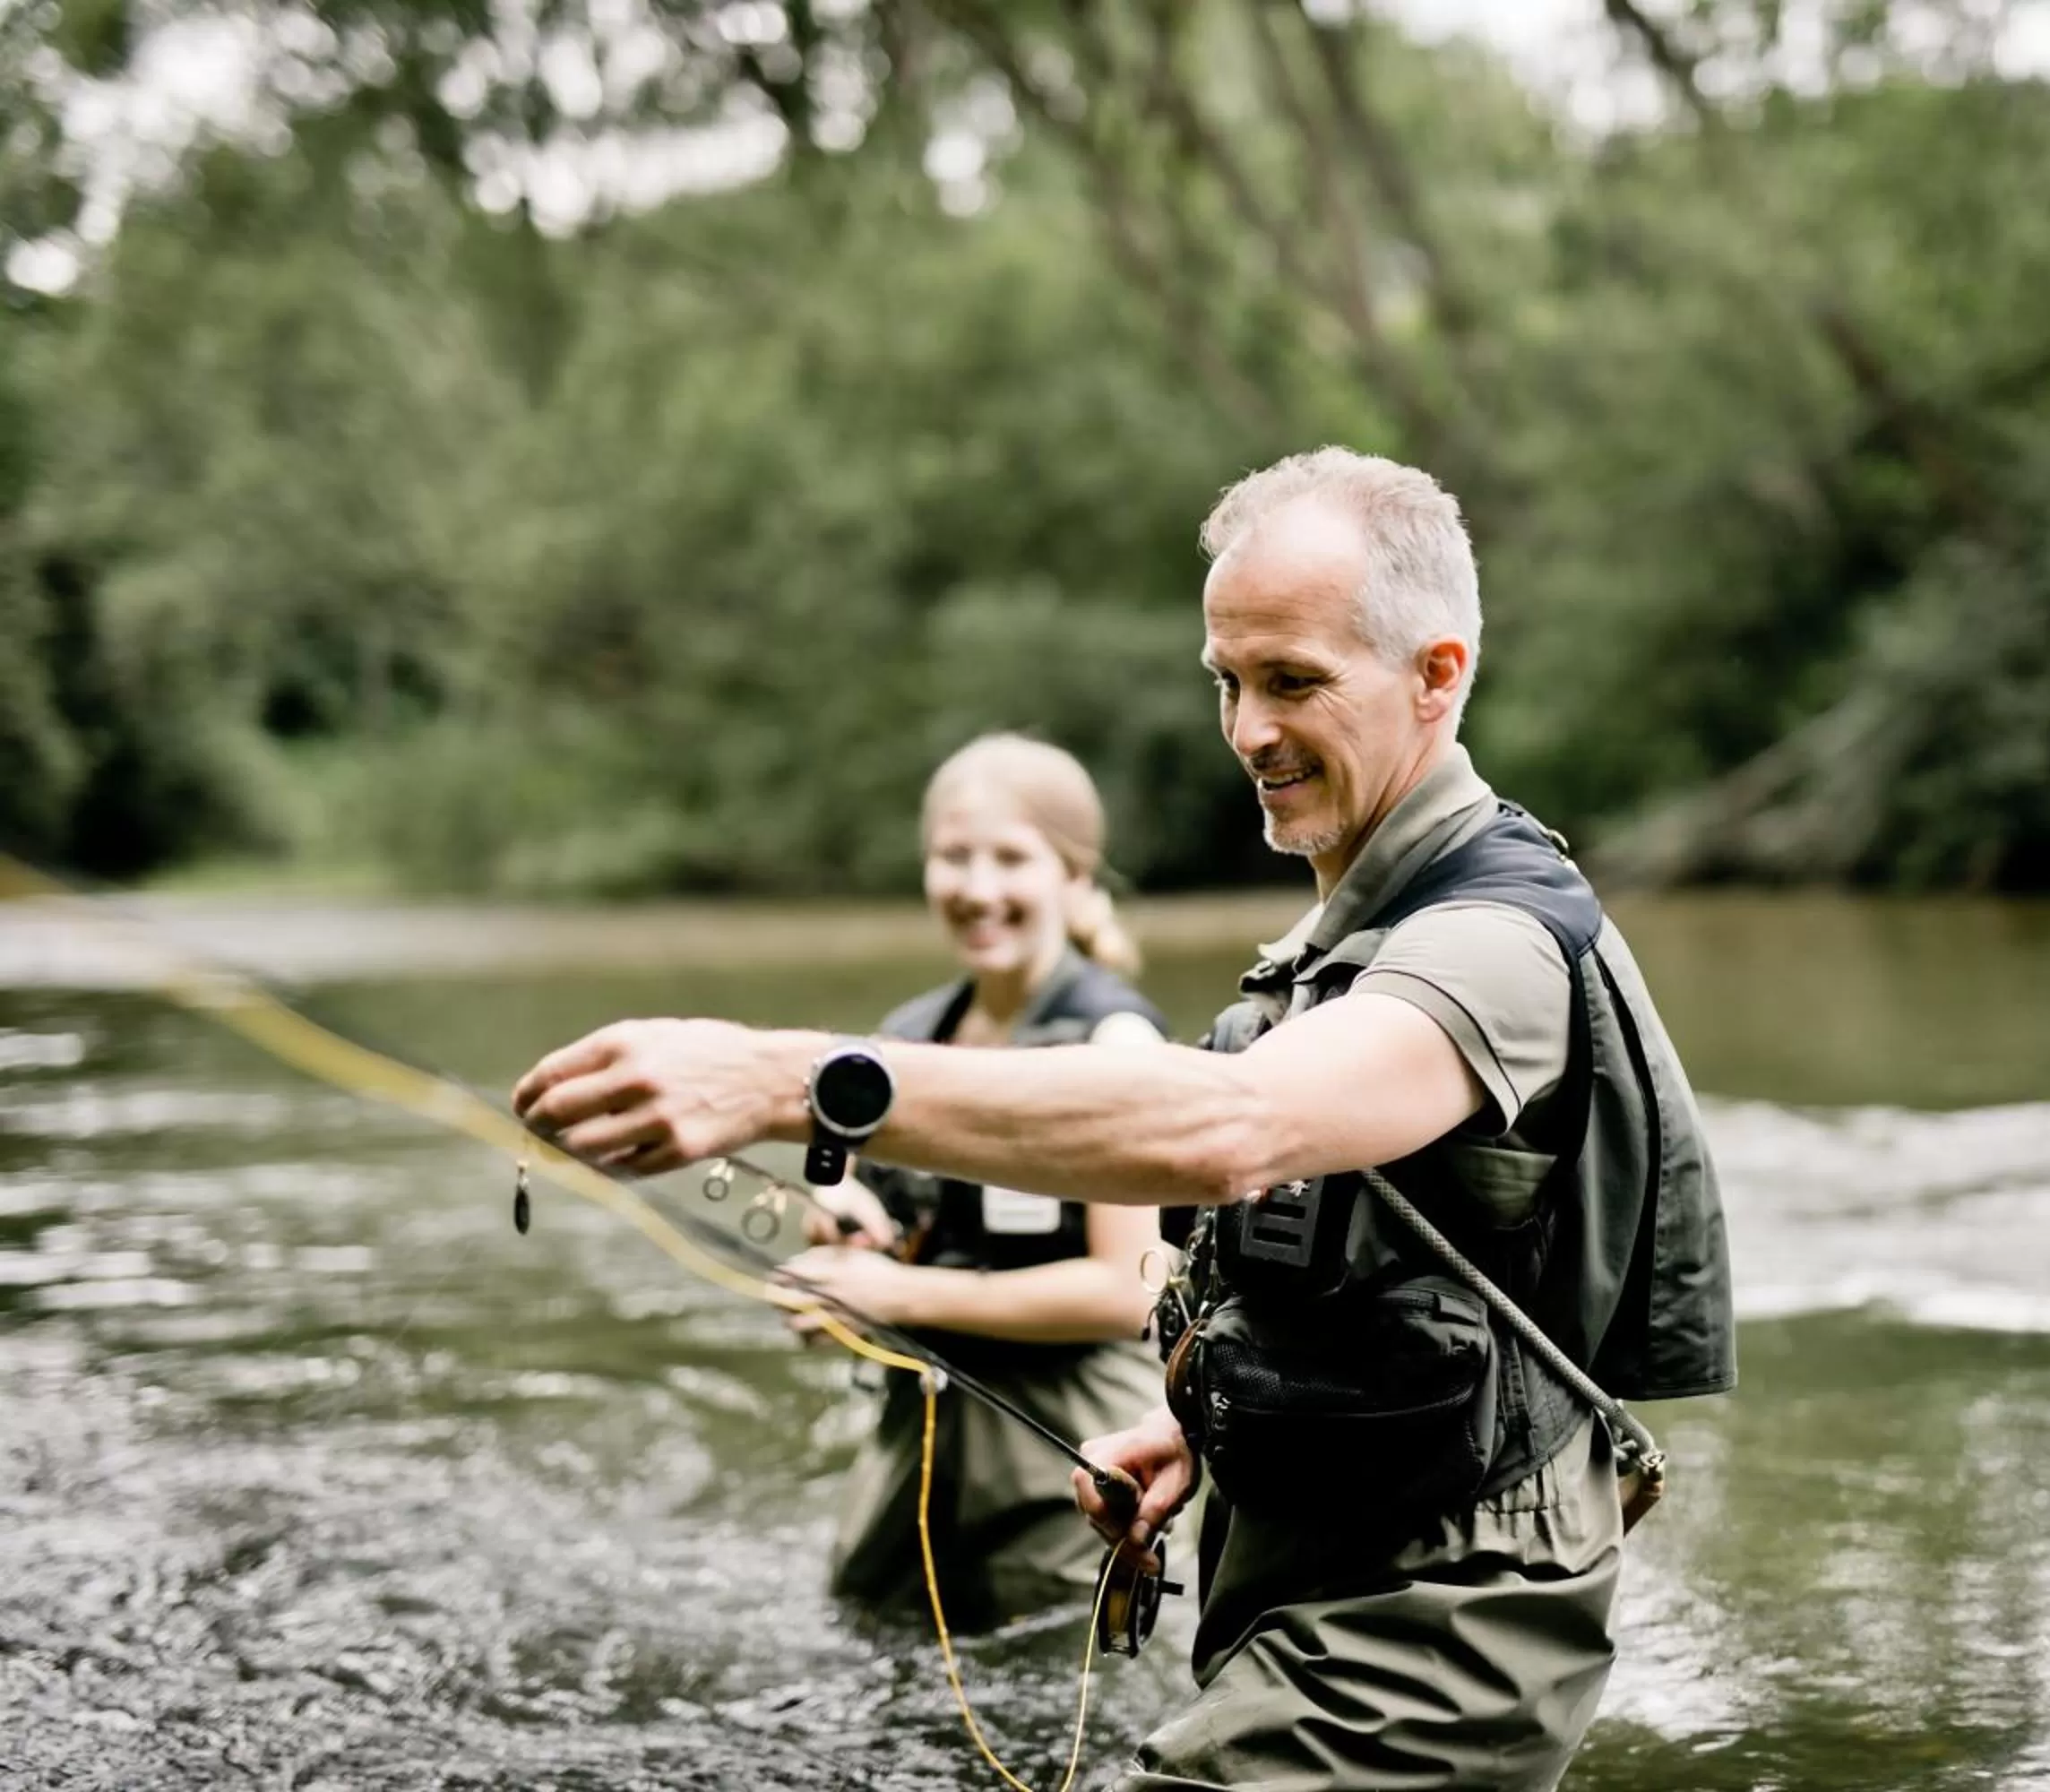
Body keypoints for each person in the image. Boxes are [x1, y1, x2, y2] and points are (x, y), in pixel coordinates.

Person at [513, 446, 1735, 1792]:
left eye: (1294, 682)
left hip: (1434, 1629)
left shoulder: (1494, 941)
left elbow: (1231, 1127)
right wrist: (1206, 1430)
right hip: (1307, 1580)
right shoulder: (1345, 933)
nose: (1247, 732)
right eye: (1227, 680)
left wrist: (782, 1081)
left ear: (1437, 675)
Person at [778, 733, 1170, 1630]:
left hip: (1067, 1462)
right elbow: (885, 1214)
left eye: (1010, 858)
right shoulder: (906, 1036)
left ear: (1074, 877)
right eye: (954, 856)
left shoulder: (1115, 1046)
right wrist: (845, 1228)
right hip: (916, 1450)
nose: (977, 887)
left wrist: (897, 1285)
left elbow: (1123, 1290)